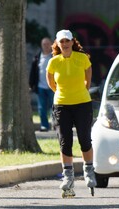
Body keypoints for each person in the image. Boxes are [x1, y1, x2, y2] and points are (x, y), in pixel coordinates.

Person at [46, 29, 96, 198]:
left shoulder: (82, 59)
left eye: (67, 41)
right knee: (64, 141)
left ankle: (89, 170)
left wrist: (82, 91)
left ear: (72, 42)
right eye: (62, 42)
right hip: (61, 105)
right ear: (58, 44)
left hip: (82, 103)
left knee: (84, 138)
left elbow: (88, 79)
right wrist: (62, 94)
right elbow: (51, 83)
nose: (65, 44)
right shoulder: (54, 62)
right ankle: (68, 176)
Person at [29, 37, 54, 132]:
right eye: (44, 44)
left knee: (54, 108)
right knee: (41, 108)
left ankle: (55, 125)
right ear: (41, 45)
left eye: (48, 44)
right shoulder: (37, 57)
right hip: (41, 86)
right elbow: (33, 72)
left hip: (53, 86)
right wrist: (31, 85)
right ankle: (44, 125)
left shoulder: (55, 56)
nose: (46, 46)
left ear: (51, 45)